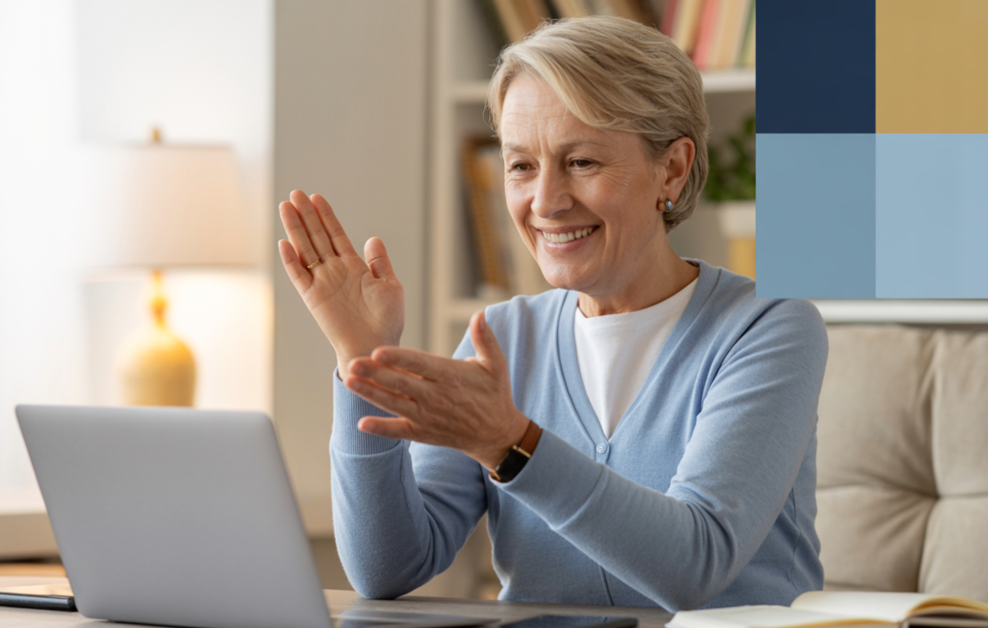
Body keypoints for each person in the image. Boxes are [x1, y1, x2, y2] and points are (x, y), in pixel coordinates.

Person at [276, 17, 826, 612]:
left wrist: (512, 443)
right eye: (520, 166)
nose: (544, 202)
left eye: (582, 162)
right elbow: (388, 569)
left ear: (671, 168)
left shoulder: (768, 328)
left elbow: (695, 564)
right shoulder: (505, 336)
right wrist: (363, 364)